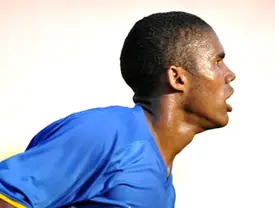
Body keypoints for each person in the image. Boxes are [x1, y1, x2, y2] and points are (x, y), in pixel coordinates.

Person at [0, 11, 235, 208]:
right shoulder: (106, 133)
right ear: (177, 78)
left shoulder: (165, 187)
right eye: (217, 61)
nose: (229, 75)